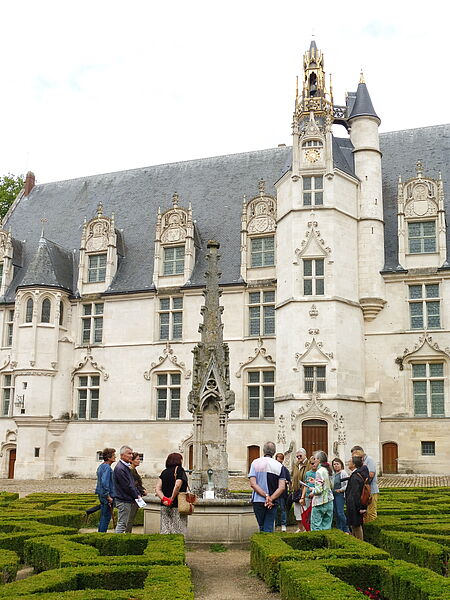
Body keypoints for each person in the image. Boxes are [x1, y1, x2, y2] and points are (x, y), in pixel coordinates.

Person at [248, 441, 286, 533]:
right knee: (268, 527)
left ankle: (263, 540)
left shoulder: (255, 462)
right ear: (274, 452)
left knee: (261, 526)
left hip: (258, 500)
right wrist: (270, 498)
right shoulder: (279, 466)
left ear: (263, 451)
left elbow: (253, 483)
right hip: (272, 501)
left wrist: (266, 496)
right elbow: (282, 487)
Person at [155, 452, 189, 535]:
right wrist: (172, 499)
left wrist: (164, 499)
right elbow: (177, 485)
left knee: (165, 528)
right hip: (178, 504)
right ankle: (178, 542)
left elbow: (157, 489)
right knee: (178, 529)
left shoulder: (164, 472)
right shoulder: (179, 470)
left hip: (164, 504)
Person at [113, 445, 141, 533]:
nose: (131, 456)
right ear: (122, 455)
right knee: (122, 524)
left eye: (131, 453)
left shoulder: (124, 467)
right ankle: (117, 540)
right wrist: (137, 496)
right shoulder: (120, 468)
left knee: (123, 523)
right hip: (123, 499)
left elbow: (131, 484)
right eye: (129, 453)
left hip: (125, 499)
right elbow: (127, 486)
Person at [345, 450, 370, 540]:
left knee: (356, 525)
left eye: (350, 462)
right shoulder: (358, 474)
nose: (348, 463)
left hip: (354, 505)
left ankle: (360, 542)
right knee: (354, 525)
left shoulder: (355, 476)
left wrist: (359, 507)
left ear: (354, 464)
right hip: (355, 505)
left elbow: (355, 493)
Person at [350, 445, 379, 523]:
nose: (353, 457)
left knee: (371, 512)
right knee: (365, 513)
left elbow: (371, 474)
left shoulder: (369, 460)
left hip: (370, 490)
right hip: (363, 491)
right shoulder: (361, 461)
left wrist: (360, 480)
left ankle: (372, 527)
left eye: (354, 454)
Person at [308, 450, 334, 531]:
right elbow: (330, 486)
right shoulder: (329, 470)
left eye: (315, 459)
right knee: (327, 527)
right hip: (329, 501)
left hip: (320, 502)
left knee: (316, 527)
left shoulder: (319, 471)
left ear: (318, 460)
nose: (314, 461)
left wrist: (312, 490)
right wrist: (315, 481)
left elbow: (319, 490)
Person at [94, 447, 116, 532]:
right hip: (106, 496)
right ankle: (102, 533)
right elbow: (104, 482)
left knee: (103, 516)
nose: (115, 457)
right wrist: (108, 496)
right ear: (109, 457)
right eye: (113, 455)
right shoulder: (107, 467)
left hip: (101, 494)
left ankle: (100, 533)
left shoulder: (101, 466)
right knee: (106, 517)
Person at [125, 452, 147, 533]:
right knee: (130, 518)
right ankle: (127, 534)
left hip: (135, 495)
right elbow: (134, 484)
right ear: (132, 460)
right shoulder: (131, 470)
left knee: (130, 518)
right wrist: (142, 491)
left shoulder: (133, 469)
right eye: (137, 459)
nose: (139, 461)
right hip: (134, 497)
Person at [291, 448, 310, 533]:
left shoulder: (308, 464)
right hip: (296, 491)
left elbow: (308, 479)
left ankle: (306, 528)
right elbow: (293, 476)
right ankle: (300, 528)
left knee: (304, 511)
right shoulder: (296, 465)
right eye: (297, 456)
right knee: (297, 512)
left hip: (304, 492)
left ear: (305, 455)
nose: (298, 457)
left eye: (300, 456)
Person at [331, 457, 350, 533]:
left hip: (340, 495)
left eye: (337, 464)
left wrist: (341, 490)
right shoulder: (333, 474)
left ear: (341, 465)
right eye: (334, 464)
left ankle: (346, 529)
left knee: (340, 512)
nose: (336, 466)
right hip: (333, 495)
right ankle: (339, 528)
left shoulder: (343, 473)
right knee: (335, 512)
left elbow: (347, 484)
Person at [275, 452, 291, 532]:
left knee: (283, 509)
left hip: (282, 493)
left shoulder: (285, 469)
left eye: (281, 460)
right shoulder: (273, 469)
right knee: (274, 509)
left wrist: (286, 482)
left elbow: (289, 480)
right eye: (278, 460)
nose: (280, 461)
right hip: (274, 492)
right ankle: (274, 524)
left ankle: (283, 525)